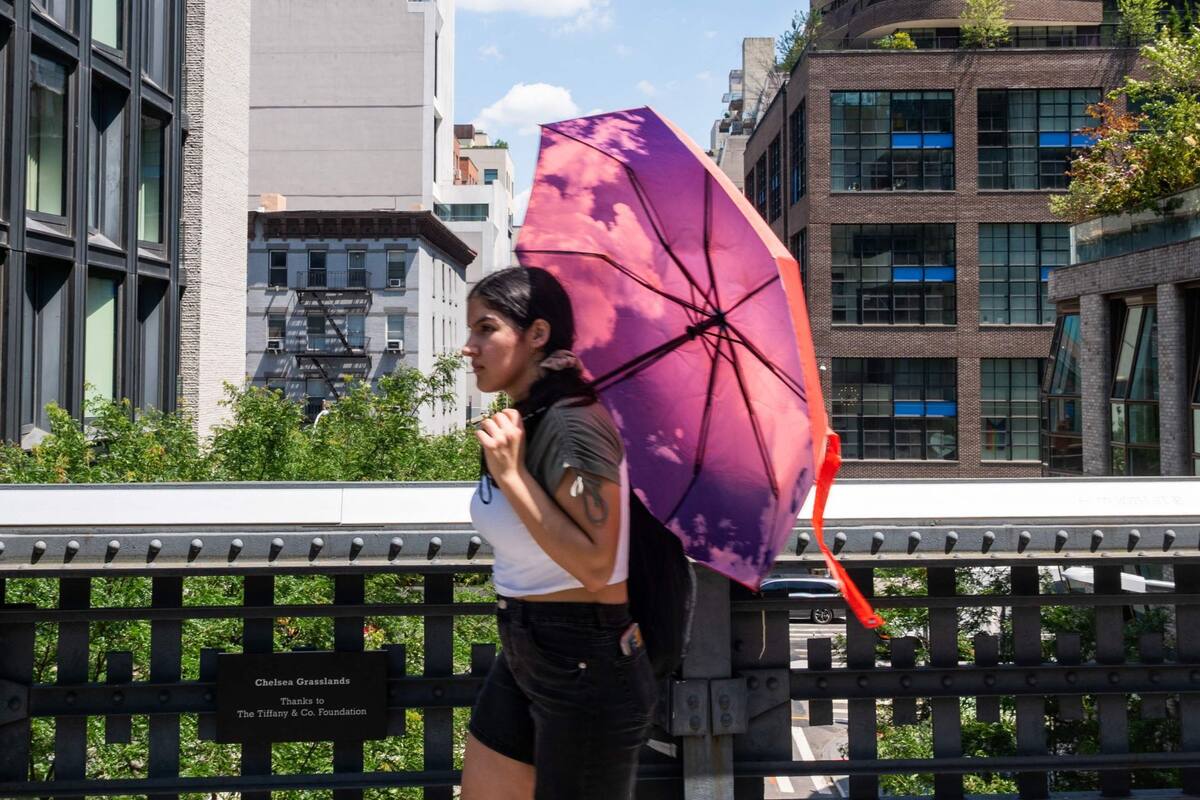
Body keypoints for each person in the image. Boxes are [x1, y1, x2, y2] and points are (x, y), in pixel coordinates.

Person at [459, 266, 658, 800]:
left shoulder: (572, 425)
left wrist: (511, 474)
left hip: (583, 660)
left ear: (538, 334)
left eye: (486, 328)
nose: (468, 347)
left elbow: (597, 565)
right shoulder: (532, 418)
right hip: (526, 644)